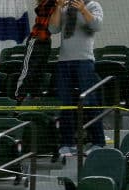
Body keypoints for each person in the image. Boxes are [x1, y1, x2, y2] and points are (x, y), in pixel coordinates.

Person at [50, 0, 105, 156]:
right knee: (64, 102)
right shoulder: (64, 7)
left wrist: (82, 9)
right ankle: (68, 143)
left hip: (84, 60)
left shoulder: (93, 5)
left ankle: (98, 141)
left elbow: (97, 26)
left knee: (89, 101)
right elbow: (53, 28)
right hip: (64, 61)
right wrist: (58, 7)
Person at [15, 0, 60, 102]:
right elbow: (42, 9)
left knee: (40, 70)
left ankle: (35, 96)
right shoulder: (46, 4)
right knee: (29, 68)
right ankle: (20, 96)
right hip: (36, 39)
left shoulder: (55, 5)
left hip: (46, 41)